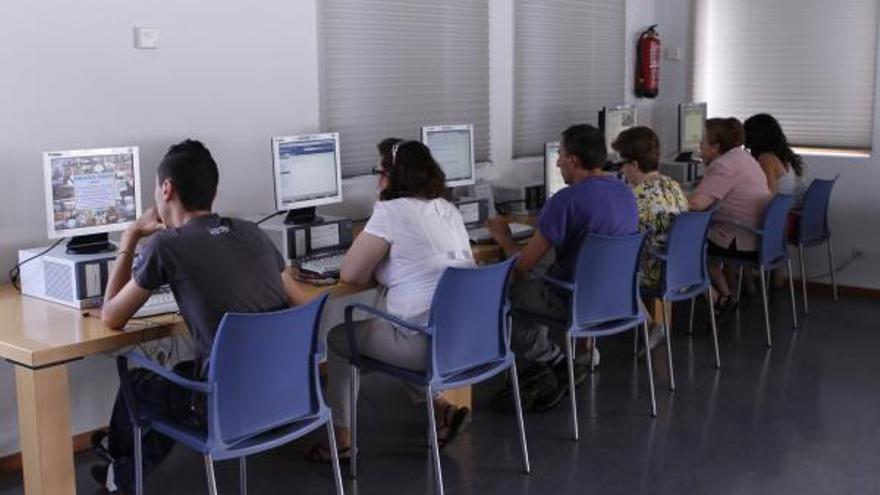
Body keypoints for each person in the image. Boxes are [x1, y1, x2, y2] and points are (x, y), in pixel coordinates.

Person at [94, 140, 307, 494]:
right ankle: (125, 470)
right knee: (178, 378)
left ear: (166, 188)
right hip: (287, 394)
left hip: (222, 406)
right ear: (213, 191)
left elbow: (111, 316)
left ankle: (122, 473)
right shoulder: (252, 232)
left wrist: (130, 236)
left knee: (138, 385)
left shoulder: (165, 246)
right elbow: (302, 305)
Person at [307, 139, 475, 462]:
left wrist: (380, 263)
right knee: (396, 324)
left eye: (379, 172)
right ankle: (443, 410)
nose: (376, 180)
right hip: (464, 344)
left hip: (424, 346)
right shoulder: (448, 210)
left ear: (392, 177)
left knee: (339, 338)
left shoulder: (391, 211)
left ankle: (341, 440)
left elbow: (351, 274)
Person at [486, 124, 638, 411]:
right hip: (617, 300)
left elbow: (522, 265)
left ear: (573, 160)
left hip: (573, 300)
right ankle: (564, 361)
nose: (556, 162)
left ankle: (555, 362)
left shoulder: (565, 201)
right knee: (541, 282)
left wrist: (503, 237)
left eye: (561, 155)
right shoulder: (625, 192)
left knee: (508, 292)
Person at [613, 126, 688, 353]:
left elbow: (619, 238)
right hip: (679, 268)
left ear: (634, 165)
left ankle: (648, 324)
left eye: (621, 165)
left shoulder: (636, 196)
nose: (621, 172)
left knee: (604, 266)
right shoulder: (673, 186)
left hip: (653, 271)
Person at [689, 118, 772, 315]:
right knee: (700, 239)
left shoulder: (724, 166)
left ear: (716, 147)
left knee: (685, 247)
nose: (699, 146)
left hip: (740, 238)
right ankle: (724, 296)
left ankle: (722, 298)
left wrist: (671, 193)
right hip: (758, 235)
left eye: (702, 142)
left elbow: (695, 204)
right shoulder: (743, 157)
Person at [744, 113, 806, 200]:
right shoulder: (783, 156)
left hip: (780, 211)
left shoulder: (766, 159)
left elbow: (769, 196)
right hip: (783, 210)